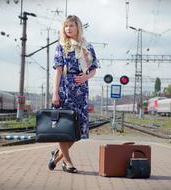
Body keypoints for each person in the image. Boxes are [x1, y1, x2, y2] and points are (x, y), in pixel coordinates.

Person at [49, 15, 98, 173]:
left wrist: (86, 76)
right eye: (66, 26)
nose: (68, 29)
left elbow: (94, 69)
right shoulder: (61, 47)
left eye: (71, 26)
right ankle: (68, 162)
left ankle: (58, 155)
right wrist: (55, 94)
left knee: (78, 130)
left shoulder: (87, 47)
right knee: (65, 128)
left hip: (81, 91)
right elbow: (57, 73)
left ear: (78, 27)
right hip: (65, 89)